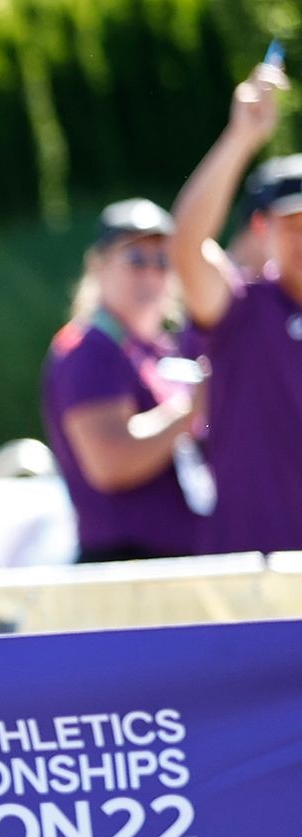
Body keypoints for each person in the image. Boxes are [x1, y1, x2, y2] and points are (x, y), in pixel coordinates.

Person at [172, 61, 302, 555]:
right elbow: (186, 244)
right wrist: (241, 137)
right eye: (294, 224)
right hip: (253, 575)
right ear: (263, 229)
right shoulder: (244, 308)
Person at [41, 200, 206, 564]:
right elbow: (110, 463)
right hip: (125, 567)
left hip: (173, 562)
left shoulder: (155, 350)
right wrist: (193, 408)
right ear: (98, 266)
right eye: (135, 260)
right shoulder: (89, 351)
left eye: (162, 262)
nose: (151, 274)